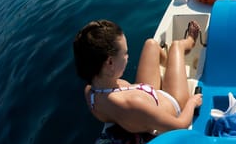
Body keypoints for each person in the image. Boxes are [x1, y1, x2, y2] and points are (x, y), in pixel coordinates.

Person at [73, 20, 202, 135]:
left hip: (149, 97)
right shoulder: (133, 104)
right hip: (174, 103)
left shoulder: (90, 92)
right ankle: (189, 42)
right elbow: (180, 125)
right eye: (125, 53)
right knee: (176, 47)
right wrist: (192, 102)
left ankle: (172, 65)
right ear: (110, 63)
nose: (127, 57)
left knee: (151, 44)